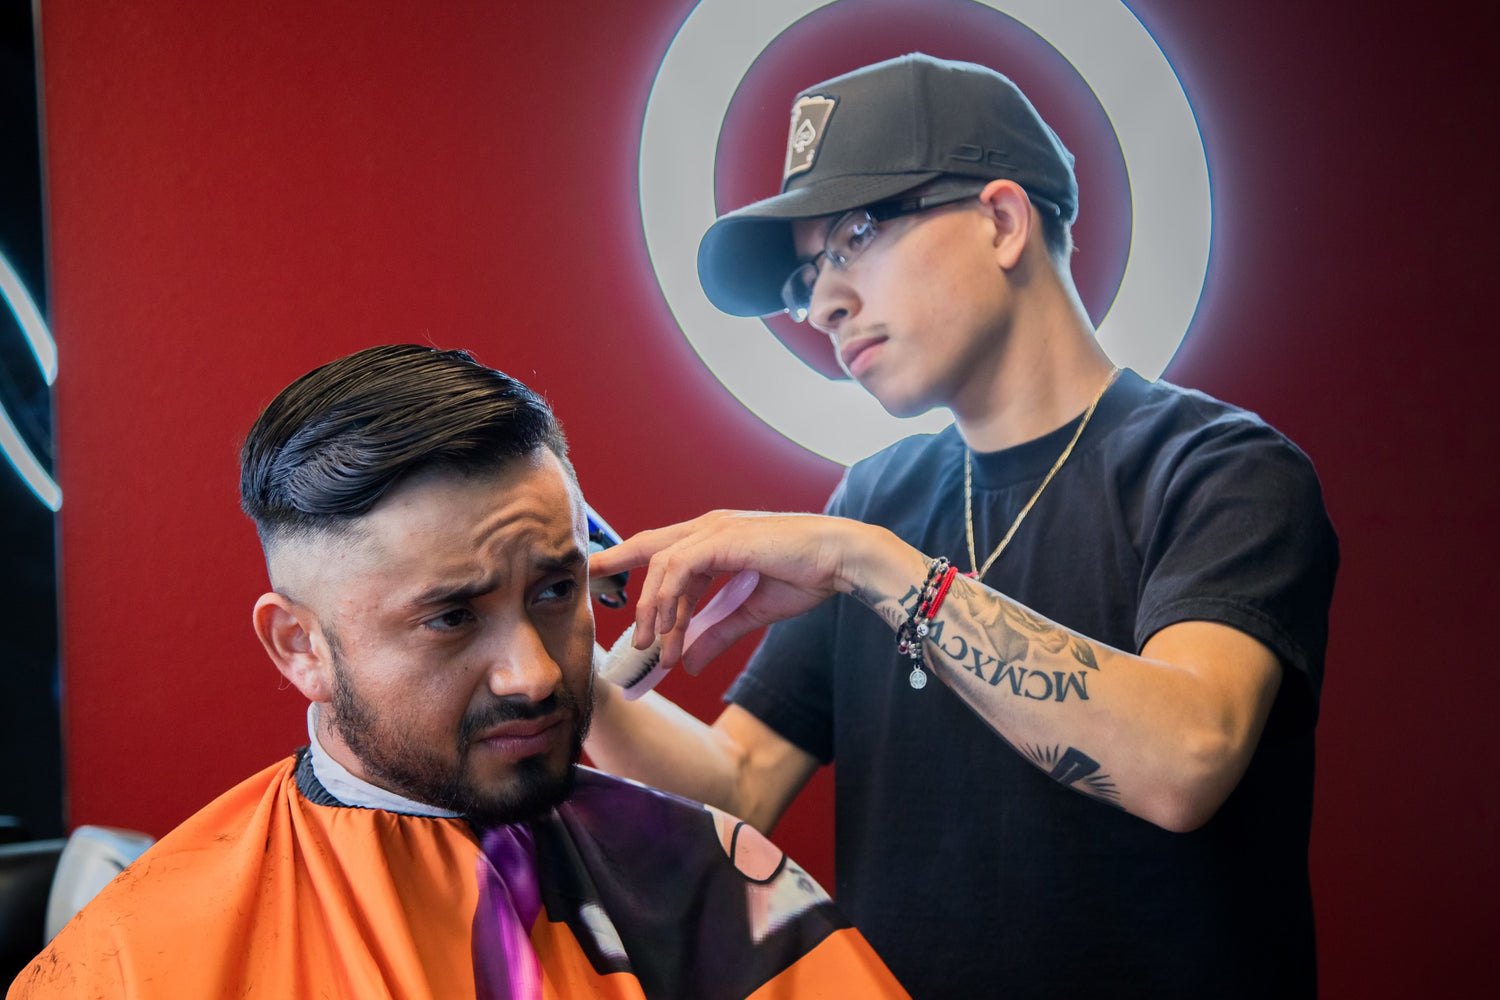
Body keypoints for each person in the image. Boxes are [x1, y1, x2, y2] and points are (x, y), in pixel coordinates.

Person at [583, 53, 1338, 999]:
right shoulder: (877, 500)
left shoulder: (1217, 468)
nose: (820, 304)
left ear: (1001, 220)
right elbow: (737, 787)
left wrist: (869, 566)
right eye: (806, 277)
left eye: (856, 235)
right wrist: (569, 675)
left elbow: (1186, 760)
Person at [8, 345, 908, 1000]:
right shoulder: (131, 963)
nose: (535, 676)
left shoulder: (717, 885)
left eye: (556, 591)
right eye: (451, 617)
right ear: (299, 648)